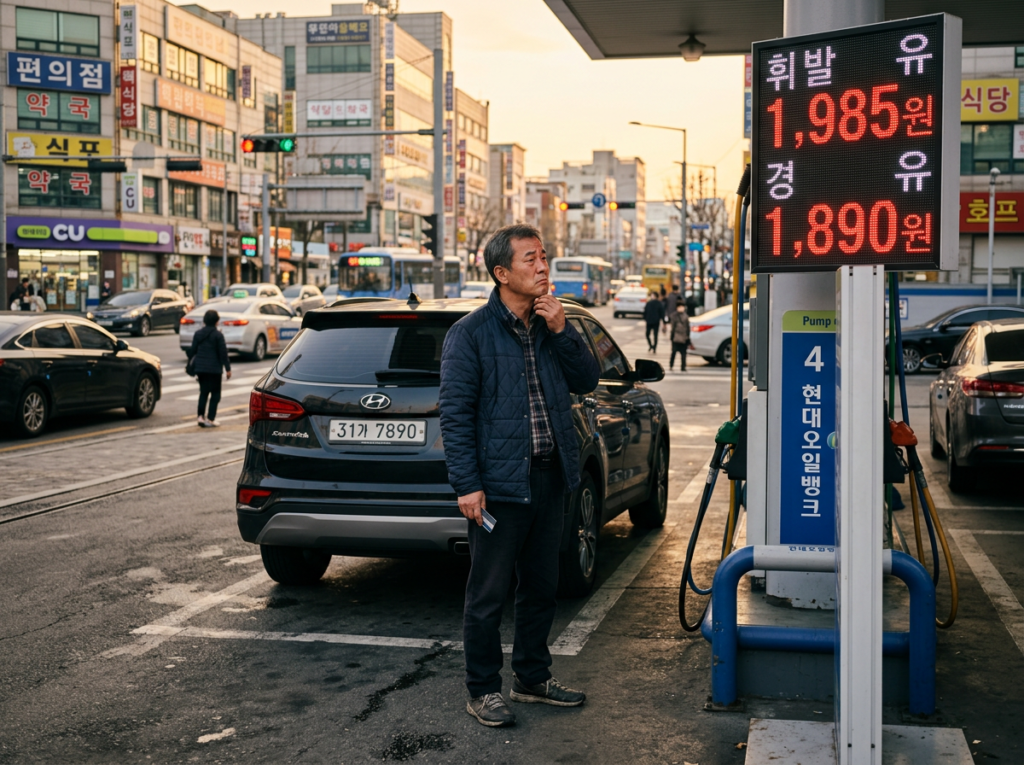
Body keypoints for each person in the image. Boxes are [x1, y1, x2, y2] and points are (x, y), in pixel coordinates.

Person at [439, 224, 600, 728]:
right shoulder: (470, 335)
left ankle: (531, 676)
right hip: (499, 486)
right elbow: (455, 415)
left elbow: (587, 379)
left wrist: (563, 332)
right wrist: (467, 484)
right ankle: (482, 689)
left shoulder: (553, 325)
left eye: (545, 256)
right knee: (487, 593)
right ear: (501, 273)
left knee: (541, 585)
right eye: (530, 259)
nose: (543, 266)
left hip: (550, 477)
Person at [188, 309, 231, 427]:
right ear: (216, 321)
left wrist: (190, 364)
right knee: (215, 394)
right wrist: (227, 368)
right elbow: (223, 353)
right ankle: (211, 418)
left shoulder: (198, 334)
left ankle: (200, 417)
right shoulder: (218, 335)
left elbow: (193, 351)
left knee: (203, 393)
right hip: (214, 369)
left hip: (201, 369)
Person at [667, 303, 691, 371]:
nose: (681, 308)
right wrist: (672, 336)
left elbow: (688, 328)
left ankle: (683, 367)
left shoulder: (686, 316)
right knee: (674, 352)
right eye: (680, 307)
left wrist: (688, 337)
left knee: (683, 353)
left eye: (682, 307)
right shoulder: (674, 316)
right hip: (676, 337)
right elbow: (673, 328)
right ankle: (671, 365)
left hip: (683, 337)